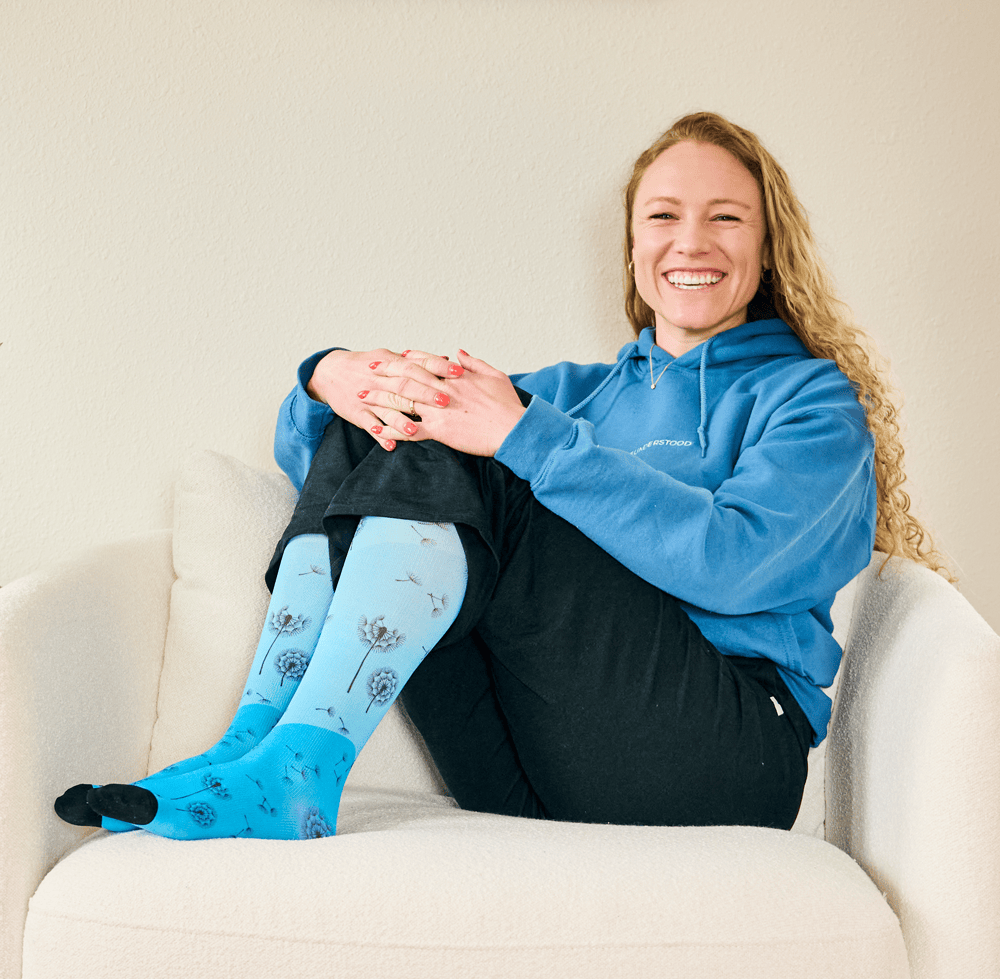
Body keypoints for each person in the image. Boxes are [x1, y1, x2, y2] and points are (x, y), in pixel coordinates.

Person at [55, 111, 945, 840]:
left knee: (476, 432)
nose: (691, 241)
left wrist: (529, 442)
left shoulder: (810, 401)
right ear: (633, 245)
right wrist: (329, 374)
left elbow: (735, 562)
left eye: (725, 216)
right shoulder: (580, 396)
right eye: (664, 215)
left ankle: (296, 764)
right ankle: (258, 745)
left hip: (720, 761)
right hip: (540, 767)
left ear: (768, 241)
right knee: (415, 418)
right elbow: (342, 461)